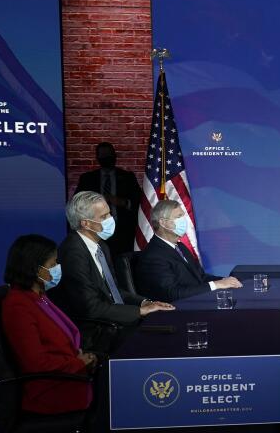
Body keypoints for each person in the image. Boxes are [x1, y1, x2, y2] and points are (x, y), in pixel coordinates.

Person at [49, 191, 174, 352]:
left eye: (109, 213)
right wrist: (140, 312)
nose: (111, 219)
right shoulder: (73, 252)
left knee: (167, 327)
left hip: (112, 321)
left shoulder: (102, 246)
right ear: (85, 223)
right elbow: (90, 308)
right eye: (104, 216)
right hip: (93, 331)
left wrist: (145, 303)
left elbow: (113, 291)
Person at [0, 235, 97, 414]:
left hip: (72, 376)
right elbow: (36, 363)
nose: (57, 269)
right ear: (36, 269)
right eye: (52, 265)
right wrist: (77, 363)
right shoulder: (18, 305)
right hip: (52, 389)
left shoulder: (39, 296)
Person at [133, 199, 243, 302]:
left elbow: (200, 277)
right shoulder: (154, 256)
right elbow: (172, 294)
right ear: (163, 223)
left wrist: (226, 281)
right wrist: (216, 285)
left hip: (196, 303)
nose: (184, 220)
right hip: (174, 313)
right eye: (179, 216)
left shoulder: (180, 247)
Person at [74, 142, 143, 259]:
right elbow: (77, 203)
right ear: (97, 158)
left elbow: (139, 202)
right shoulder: (87, 179)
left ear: (115, 156)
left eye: (109, 155)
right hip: (96, 230)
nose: (106, 158)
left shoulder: (128, 177)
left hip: (123, 231)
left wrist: (123, 202)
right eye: (103, 156)